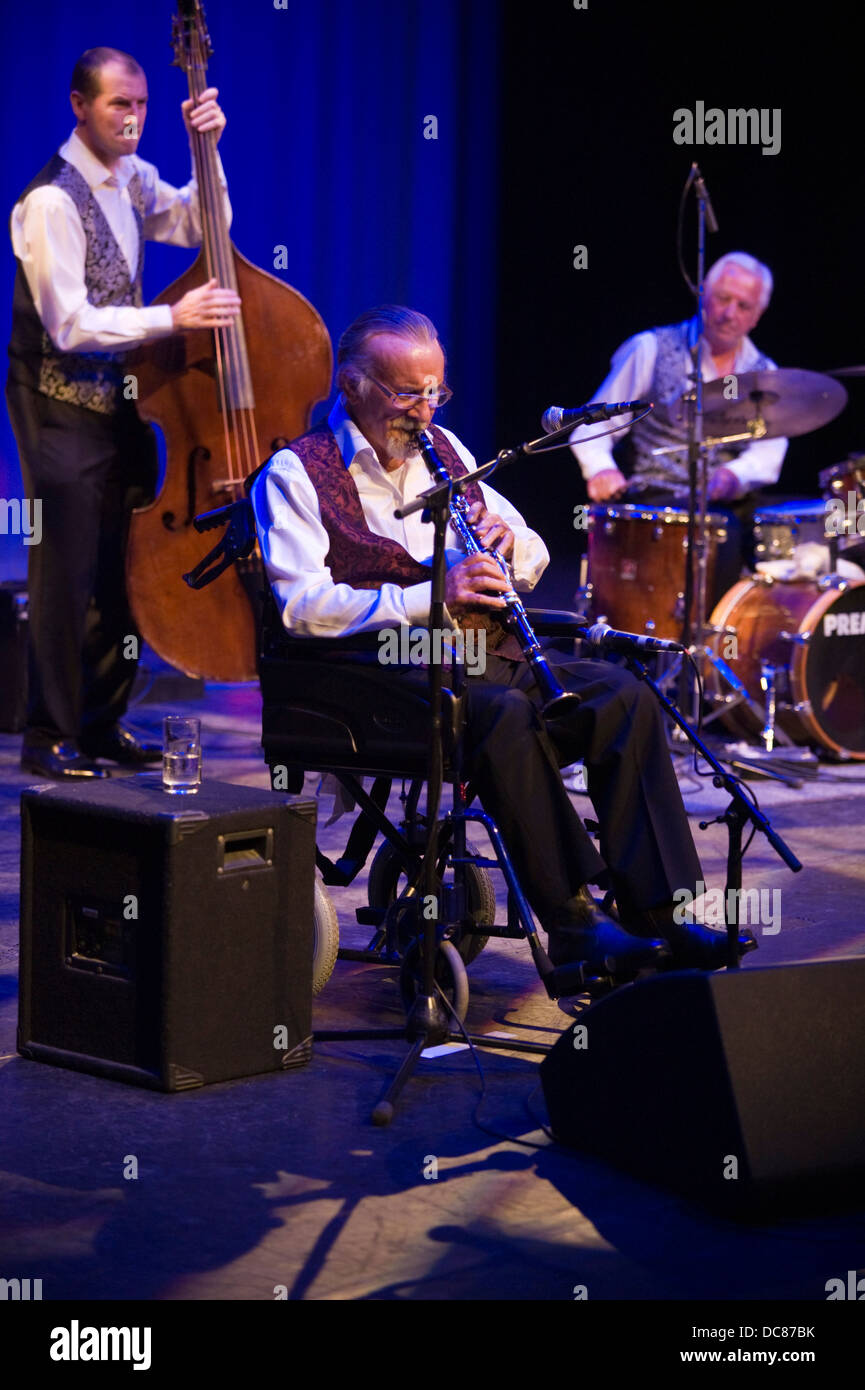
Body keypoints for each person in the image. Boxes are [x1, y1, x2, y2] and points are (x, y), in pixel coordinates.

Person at [251, 305, 756, 984]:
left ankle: (663, 911)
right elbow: (302, 608)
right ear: (351, 385)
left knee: (622, 695)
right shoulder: (294, 472)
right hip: (370, 671)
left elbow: (535, 552)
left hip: (474, 658)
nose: (423, 412)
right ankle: (575, 922)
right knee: (501, 712)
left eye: (436, 391)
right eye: (406, 393)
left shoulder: (448, 450)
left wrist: (504, 541)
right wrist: (433, 592)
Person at [7, 46, 241, 779]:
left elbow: (206, 227)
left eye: (140, 105)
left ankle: (102, 722)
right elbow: (69, 323)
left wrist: (210, 151)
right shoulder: (52, 200)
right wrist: (173, 318)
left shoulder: (132, 179)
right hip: (59, 405)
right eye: (118, 104)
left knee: (121, 570)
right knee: (66, 571)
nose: (133, 118)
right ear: (80, 106)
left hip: (123, 403)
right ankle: (50, 734)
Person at [569, 252, 788, 600]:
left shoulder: (765, 373)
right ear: (703, 293)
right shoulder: (650, 348)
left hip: (724, 511)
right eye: (722, 298)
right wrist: (601, 469)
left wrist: (735, 475)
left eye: (743, 306)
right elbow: (592, 426)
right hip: (655, 501)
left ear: (757, 316)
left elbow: (768, 453)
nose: (729, 313)